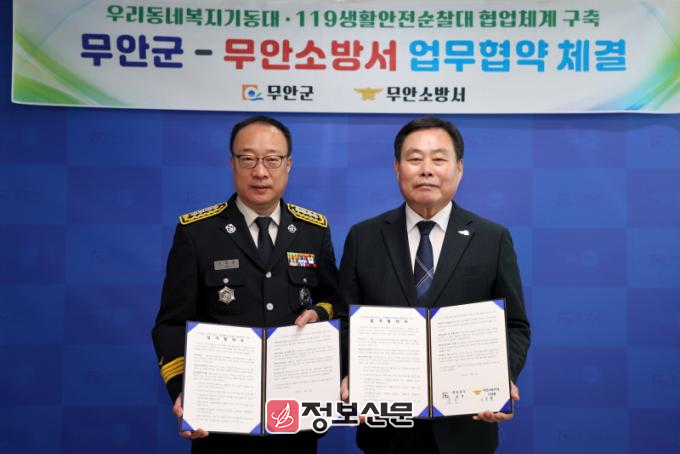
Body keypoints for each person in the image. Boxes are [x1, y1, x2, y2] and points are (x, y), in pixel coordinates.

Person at [336, 116, 530, 454]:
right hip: (386, 427)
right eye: (414, 159)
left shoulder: (492, 239)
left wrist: (502, 377)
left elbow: (514, 325)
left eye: (439, 159)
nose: (426, 170)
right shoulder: (363, 237)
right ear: (397, 168)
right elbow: (344, 321)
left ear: (459, 168)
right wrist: (352, 373)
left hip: (466, 425)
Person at [152, 115, 338, 453]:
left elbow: (335, 302)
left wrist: (320, 314)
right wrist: (183, 389)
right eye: (248, 159)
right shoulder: (197, 233)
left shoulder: (314, 230)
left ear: (288, 164)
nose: (260, 171)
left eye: (272, 159)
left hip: (294, 419)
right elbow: (171, 323)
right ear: (232, 163)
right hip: (221, 422)